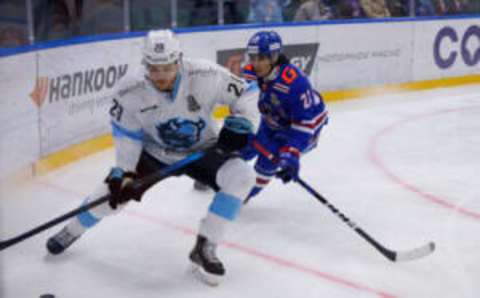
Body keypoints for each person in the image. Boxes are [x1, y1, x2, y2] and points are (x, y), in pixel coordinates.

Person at [45, 29, 259, 286]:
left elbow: (248, 93)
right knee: (111, 196)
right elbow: (127, 134)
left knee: (242, 177)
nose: (160, 76)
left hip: (203, 148)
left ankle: (205, 245)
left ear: (178, 61)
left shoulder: (206, 75)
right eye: (154, 68)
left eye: (167, 68)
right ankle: (72, 230)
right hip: (155, 152)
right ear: (145, 64)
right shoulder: (129, 91)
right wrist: (123, 172)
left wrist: (243, 122)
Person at [241, 31, 328, 203]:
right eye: (253, 57)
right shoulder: (250, 73)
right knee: (243, 147)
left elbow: (303, 126)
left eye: (261, 58)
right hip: (273, 117)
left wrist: (291, 155)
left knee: (266, 162)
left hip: (305, 124)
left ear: (274, 57)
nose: (256, 64)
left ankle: (241, 196)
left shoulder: (296, 83)